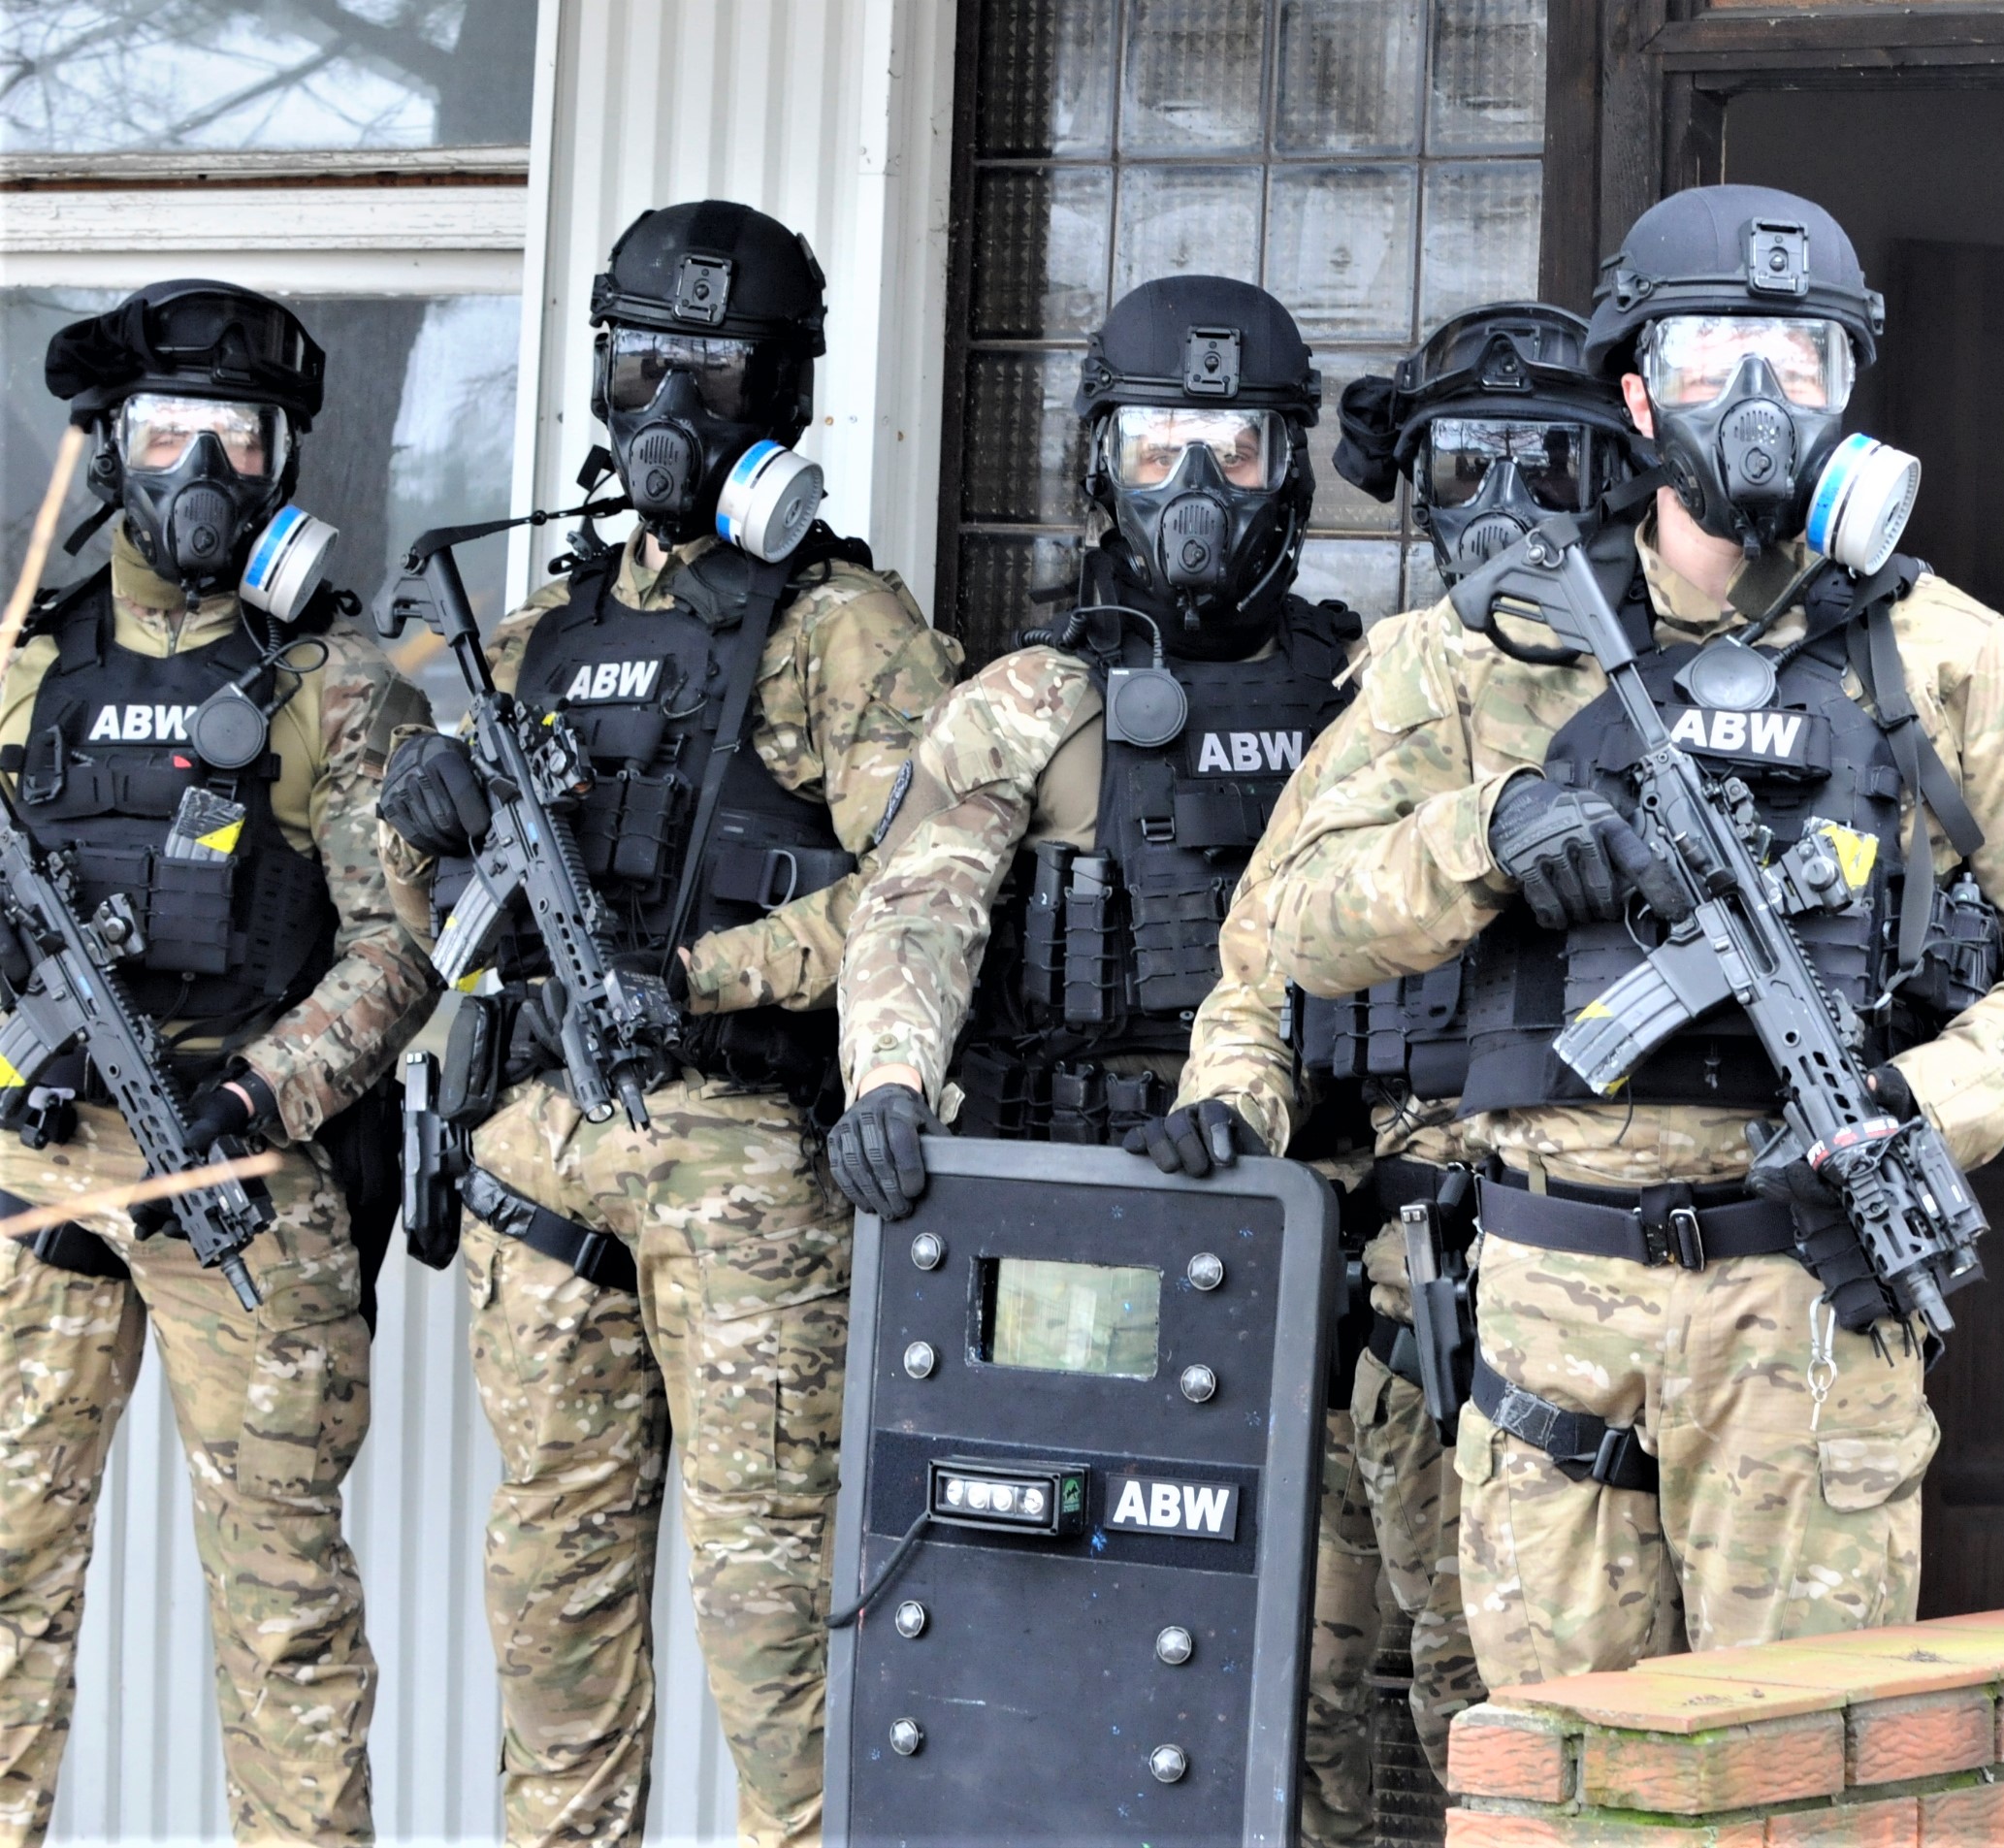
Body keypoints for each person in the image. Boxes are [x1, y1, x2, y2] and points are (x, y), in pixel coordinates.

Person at [1258, 184, 2004, 1692]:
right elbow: (1295, 920)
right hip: (1550, 1301)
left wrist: (1917, 1106)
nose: (1758, 399)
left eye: (1800, 361)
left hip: (1807, 1298)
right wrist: (1486, 833)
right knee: (1565, 1770)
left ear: (1847, 386)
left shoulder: (1963, 665)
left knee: (1795, 1770)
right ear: (1635, 393)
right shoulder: (1484, 650)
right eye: (1708, 359)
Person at [374, 201, 960, 1848]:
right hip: (537, 1179)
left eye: (715, 372)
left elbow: (920, 898)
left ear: (785, 396)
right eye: (643, 363)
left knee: (783, 1654)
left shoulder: (847, 629)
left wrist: (696, 978)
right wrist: (419, 832)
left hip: (745, 1182)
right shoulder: (536, 635)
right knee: (551, 1640)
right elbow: (442, 942)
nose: (670, 407)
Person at [822, 276, 1362, 1838]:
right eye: (1158, 447)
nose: (1195, 489)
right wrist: (888, 1081)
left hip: (1312, 1227)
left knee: (1326, 1676)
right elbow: (917, 908)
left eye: (1234, 450)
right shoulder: (1031, 698)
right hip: (1076, 1236)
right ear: (1099, 462)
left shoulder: (1361, 689)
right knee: (1074, 1650)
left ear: (1289, 468)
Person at [1138, 304, 1639, 1832]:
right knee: (1436, 1677)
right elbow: (1265, 948)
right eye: (1465, 469)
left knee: (1593, 1697)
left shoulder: (1681, 665)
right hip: (1429, 1267)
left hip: (1636, 1261)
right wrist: (1231, 1105)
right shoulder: (1411, 671)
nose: (1505, 506)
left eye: (1545, 465)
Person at [0, 280, 438, 1845]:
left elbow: (398, 952)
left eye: (236, 437)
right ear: (114, 443)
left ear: (281, 460)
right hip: (41, 1152)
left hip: (241, 1167)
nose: (200, 468)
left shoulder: (341, 686)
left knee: (282, 1612)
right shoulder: (27, 665)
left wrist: (263, 1090)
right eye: (169, 431)